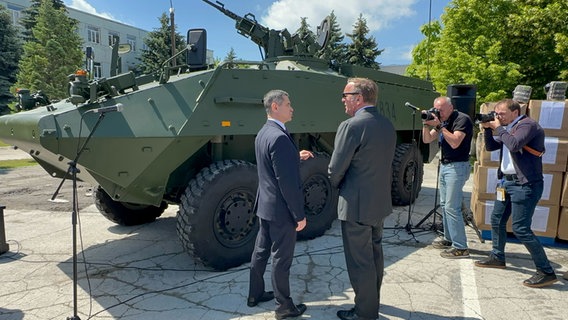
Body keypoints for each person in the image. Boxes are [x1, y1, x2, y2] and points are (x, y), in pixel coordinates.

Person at [329, 77, 396, 320]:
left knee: (360, 262)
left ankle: (365, 312)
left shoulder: (352, 126)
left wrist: (335, 185)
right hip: (378, 203)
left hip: (356, 205)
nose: (343, 100)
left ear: (358, 98)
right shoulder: (387, 124)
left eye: (345, 95)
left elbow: (336, 169)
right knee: (375, 255)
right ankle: (371, 303)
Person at [474, 99, 558, 288]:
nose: (498, 117)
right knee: (496, 219)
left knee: (521, 228)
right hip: (507, 183)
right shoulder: (508, 127)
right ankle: (497, 257)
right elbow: (491, 147)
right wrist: (488, 129)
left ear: (514, 112)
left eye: (501, 113)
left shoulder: (527, 125)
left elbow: (513, 144)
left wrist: (498, 128)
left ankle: (546, 271)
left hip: (525, 185)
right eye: (496, 113)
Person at [248, 89, 313, 319]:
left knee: (260, 252)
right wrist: (299, 215)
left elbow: (272, 166)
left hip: (265, 206)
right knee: (281, 259)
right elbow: (286, 183)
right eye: (288, 104)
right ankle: (284, 307)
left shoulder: (264, 133)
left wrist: (296, 156)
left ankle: (254, 294)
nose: (292, 108)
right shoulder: (280, 138)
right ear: (275, 107)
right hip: (281, 210)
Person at [422, 96, 473, 258]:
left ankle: (461, 247)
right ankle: (449, 238)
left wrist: (439, 126)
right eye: (436, 109)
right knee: (444, 205)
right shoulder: (441, 121)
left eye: (441, 110)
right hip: (445, 165)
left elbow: (455, 142)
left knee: (452, 207)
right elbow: (427, 139)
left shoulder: (462, 119)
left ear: (451, 107)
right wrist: (426, 123)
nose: (439, 112)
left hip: (457, 167)